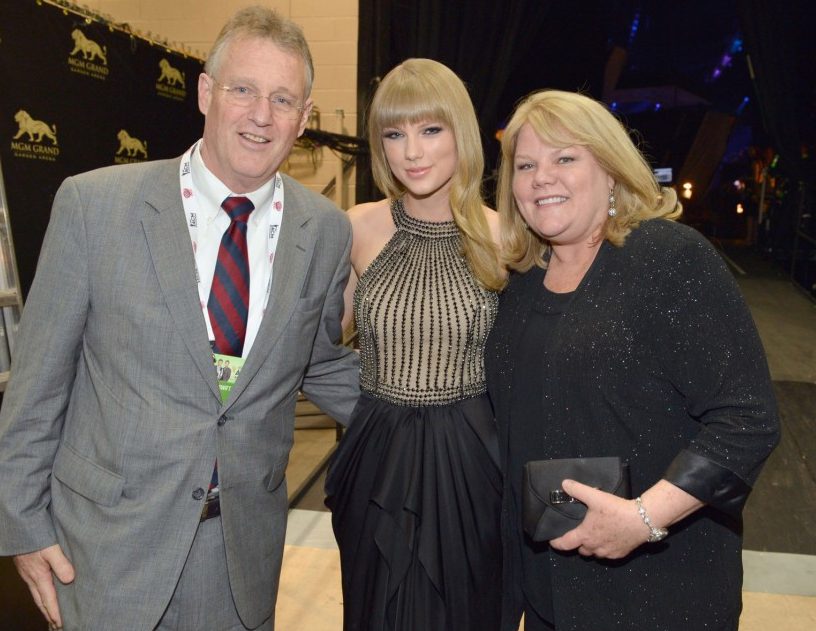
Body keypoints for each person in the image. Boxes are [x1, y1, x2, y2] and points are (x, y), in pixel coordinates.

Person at [0, 6, 359, 631]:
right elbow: (36, 387)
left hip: (240, 554)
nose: (260, 115)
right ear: (205, 92)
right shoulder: (94, 207)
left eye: (283, 100)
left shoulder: (324, 230)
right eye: (242, 89)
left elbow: (320, 361)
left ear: (303, 120)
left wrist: (442, 412)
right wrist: (23, 528)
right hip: (106, 551)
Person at [485, 89, 781, 631]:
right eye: (526, 165)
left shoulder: (669, 259)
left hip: (658, 590)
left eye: (565, 158)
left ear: (611, 170)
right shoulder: (521, 285)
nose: (541, 177)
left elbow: (747, 420)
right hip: (545, 587)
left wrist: (643, 520)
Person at [324, 58, 505, 630]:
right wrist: (364, 407)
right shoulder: (358, 226)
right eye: (395, 134)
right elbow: (312, 346)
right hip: (376, 458)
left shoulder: (505, 237)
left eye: (430, 130)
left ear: (461, 133)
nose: (412, 151)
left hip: (470, 464)